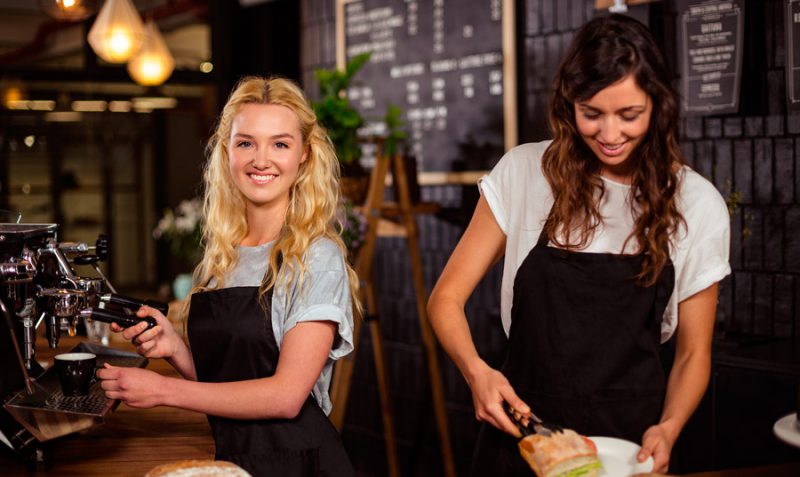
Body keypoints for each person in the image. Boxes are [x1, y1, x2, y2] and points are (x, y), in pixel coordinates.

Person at [427, 14, 730, 476]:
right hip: (523, 442)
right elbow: (445, 299)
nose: (610, 135)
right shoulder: (524, 172)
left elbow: (693, 352)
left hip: (630, 451)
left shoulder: (695, 202)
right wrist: (477, 373)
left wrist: (669, 427)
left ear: (658, 105)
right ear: (568, 105)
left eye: (629, 115)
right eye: (591, 113)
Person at [98, 76, 359, 476]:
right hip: (232, 460)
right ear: (227, 152)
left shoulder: (316, 256)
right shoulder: (223, 255)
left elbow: (286, 396)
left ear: (305, 154)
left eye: (280, 144)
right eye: (246, 142)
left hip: (297, 464)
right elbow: (227, 384)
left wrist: (165, 390)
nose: (261, 159)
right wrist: (174, 348)